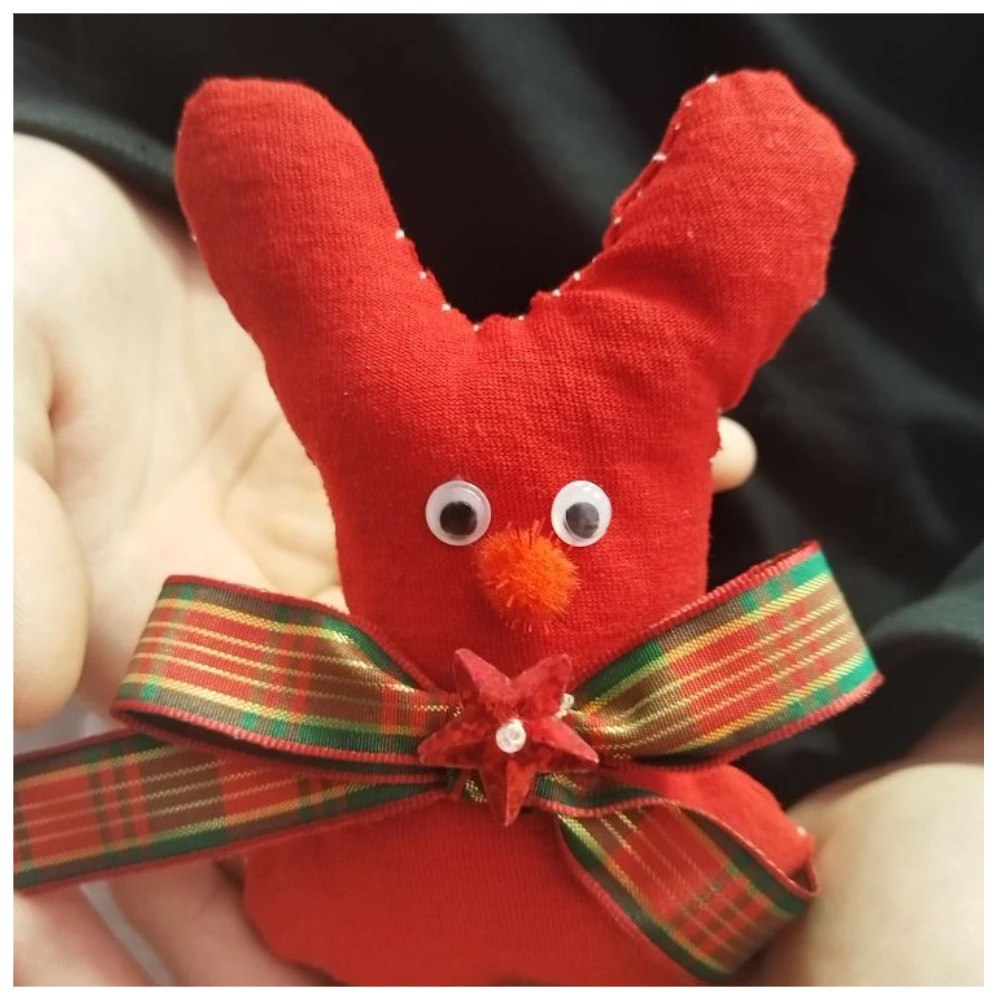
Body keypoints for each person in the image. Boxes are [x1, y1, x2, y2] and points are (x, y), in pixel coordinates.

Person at [13, 13, 982, 986]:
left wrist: (976, 726)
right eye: (459, 519)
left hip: (896, 695)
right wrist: (49, 135)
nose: (523, 565)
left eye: (577, 522)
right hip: (162, 377)